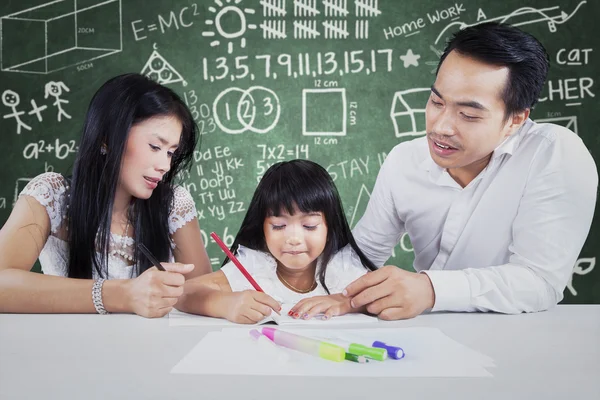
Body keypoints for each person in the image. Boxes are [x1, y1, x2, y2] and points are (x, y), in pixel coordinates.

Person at [344, 22, 598, 320]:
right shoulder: (404, 160)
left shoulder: (553, 154)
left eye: (468, 115)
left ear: (516, 119)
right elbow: (361, 258)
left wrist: (429, 289)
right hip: (422, 337)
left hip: (514, 344)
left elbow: (539, 282)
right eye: (436, 102)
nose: (441, 127)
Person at [0, 73, 211, 317]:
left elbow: (201, 292)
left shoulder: (174, 204)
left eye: (170, 153)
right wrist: (123, 294)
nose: (164, 165)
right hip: (69, 348)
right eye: (155, 147)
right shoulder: (51, 195)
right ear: (107, 139)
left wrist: (228, 303)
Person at [177, 159, 377, 324]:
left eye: (309, 226)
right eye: (279, 226)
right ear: (262, 228)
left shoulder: (341, 266)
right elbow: (183, 293)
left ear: (330, 227)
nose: (294, 239)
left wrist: (347, 303)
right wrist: (226, 304)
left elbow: (387, 298)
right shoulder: (254, 265)